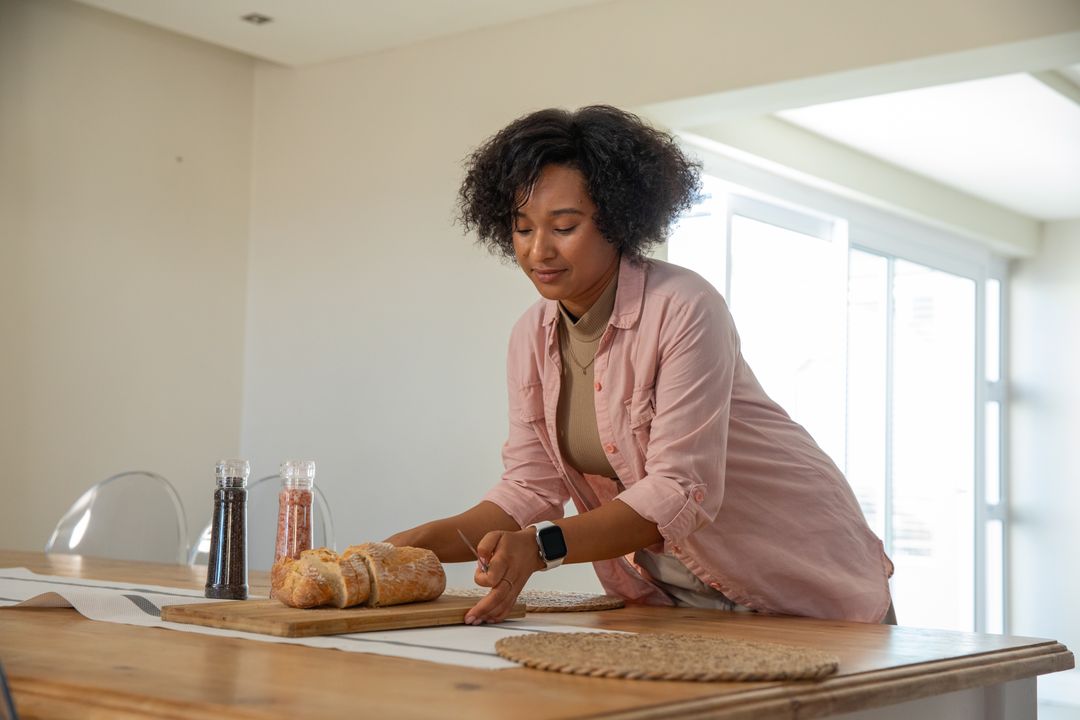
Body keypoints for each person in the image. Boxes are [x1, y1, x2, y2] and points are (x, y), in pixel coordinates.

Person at [386, 105, 895, 625]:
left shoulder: (684, 305)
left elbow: (679, 489)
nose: (539, 250)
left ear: (618, 217)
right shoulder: (530, 337)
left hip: (799, 578)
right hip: (673, 598)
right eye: (521, 228)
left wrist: (541, 548)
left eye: (564, 225)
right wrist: (402, 550)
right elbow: (528, 489)